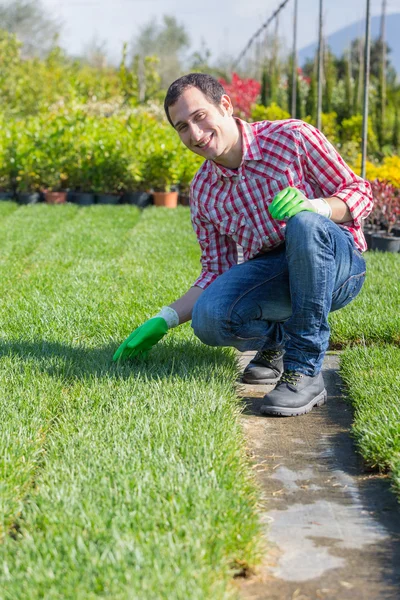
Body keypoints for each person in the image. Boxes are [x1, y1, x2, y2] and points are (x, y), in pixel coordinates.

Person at [113, 73, 373, 417]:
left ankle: (306, 369)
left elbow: (360, 193)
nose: (194, 134)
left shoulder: (291, 137)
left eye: (199, 116)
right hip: (276, 271)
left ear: (225, 105)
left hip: (337, 267)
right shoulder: (204, 191)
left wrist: (317, 207)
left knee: (304, 224)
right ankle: (276, 341)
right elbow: (215, 274)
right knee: (209, 318)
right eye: (182, 127)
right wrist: (165, 318)